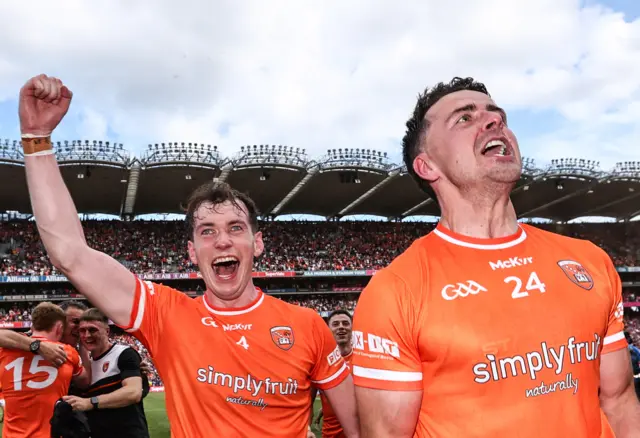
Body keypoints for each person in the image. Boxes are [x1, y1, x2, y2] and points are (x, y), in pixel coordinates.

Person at [18, 74, 359, 438]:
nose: (222, 241)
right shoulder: (167, 315)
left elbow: (357, 428)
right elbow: (71, 254)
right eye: (207, 231)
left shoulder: (308, 326)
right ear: (192, 252)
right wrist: (36, 140)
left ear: (257, 244)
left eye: (235, 228)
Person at [351, 77, 640, 437]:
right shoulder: (395, 291)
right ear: (427, 166)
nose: (493, 121)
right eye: (464, 118)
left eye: (496, 115)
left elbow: (618, 399)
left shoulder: (589, 261)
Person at [0, 302, 90, 438]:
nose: (80, 329)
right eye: (75, 322)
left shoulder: (7, 350)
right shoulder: (69, 353)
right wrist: (37, 346)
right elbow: (85, 381)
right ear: (61, 326)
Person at [63, 308, 150, 438]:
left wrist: (90, 403)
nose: (87, 336)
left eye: (92, 330)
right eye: (82, 331)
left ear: (107, 331)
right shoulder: (84, 367)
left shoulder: (124, 354)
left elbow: (133, 392)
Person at [311, 310, 354, 438]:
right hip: (331, 434)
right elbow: (308, 401)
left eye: (345, 323)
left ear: (352, 327)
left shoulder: (364, 359)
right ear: (328, 329)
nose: (341, 326)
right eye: (335, 324)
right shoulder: (319, 361)